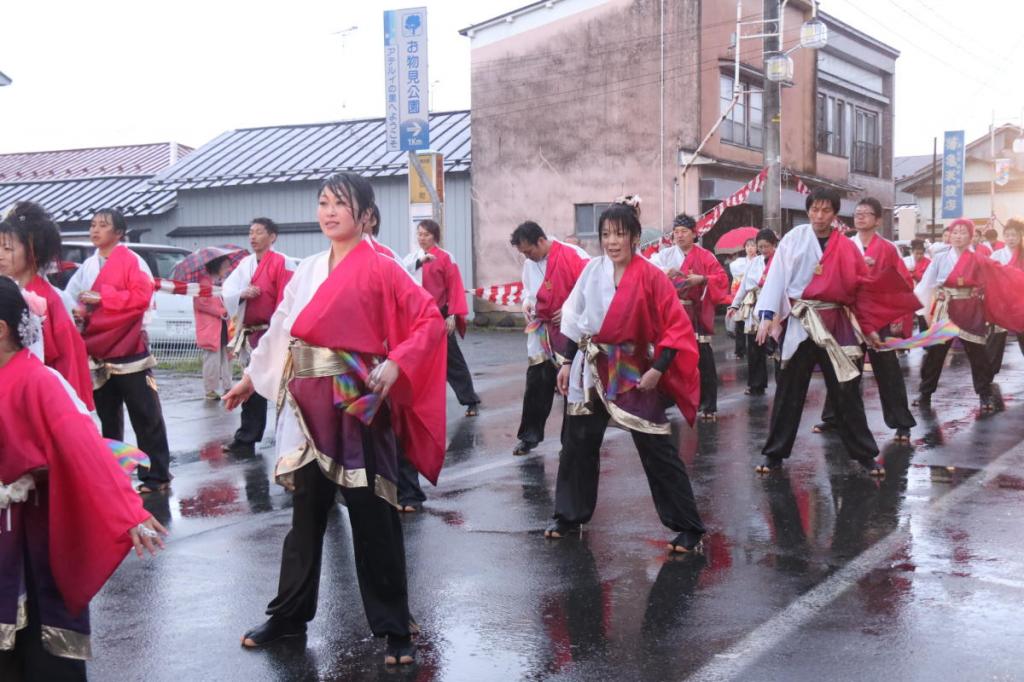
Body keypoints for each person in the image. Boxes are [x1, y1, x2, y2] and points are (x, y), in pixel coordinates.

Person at [223, 173, 446, 666]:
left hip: (354, 404)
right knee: (305, 519)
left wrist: (398, 361)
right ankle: (288, 616)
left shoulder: (385, 268)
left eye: (340, 204)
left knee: (372, 516)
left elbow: (429, 321)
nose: (328, 212)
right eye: (323, 202)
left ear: (365, 214)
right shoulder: (308, 270)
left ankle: (394, 628)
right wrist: (250, 379)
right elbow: (283, 325)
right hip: (304, 407)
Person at [0, 277, 166, 681]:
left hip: (30, 530)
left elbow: (84, 448)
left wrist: (128, 511)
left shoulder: (37, 380)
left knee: (39, 630)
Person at [544, 200, 706, 555]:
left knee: (656, 447)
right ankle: (570, 516)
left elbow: (675, 328)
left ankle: (688, 526)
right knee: (577, 445)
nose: (612, 242)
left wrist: (657, 369)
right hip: (590, 365)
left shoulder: (651, 276)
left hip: (630, 366)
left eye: (619, 234)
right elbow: (575, 319)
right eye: (606, 235)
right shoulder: (592, 271)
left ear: (634, 237)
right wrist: (568, 362)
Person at [753, 188, 915, 475]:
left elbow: (859, 290)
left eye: (826, 210)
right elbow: (776, 275)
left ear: (835, 214)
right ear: (808, 210)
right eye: (815, 209)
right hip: (802, 320)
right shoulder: (794, 238)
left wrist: (870, 327)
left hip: (835, 322)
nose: (819, 215)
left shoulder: (846, 246)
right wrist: (767, 314)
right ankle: (774, 454)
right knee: (789, 390)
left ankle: (864, 454)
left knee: (846, 390)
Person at [63, 208, 173, 494]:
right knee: (109, 418)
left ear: (119, 233)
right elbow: (74, 297)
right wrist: (79, 312)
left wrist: (103, 297)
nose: (95, 230)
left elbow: (141, 297)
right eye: (92, 225)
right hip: (99, 351)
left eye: (103, 225)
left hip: (129, 348)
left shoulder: (132, 260)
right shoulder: (88, 265)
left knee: (145, 415)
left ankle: (157, 475)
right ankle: (114, 473)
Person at [814, 198, 917, 442]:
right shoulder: (843, 244)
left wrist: (896, 315)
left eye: (866, 214)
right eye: (857, 213)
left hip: (876, 316)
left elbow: (902, 283)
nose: (860, 217)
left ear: (878, 220)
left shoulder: (888, 249)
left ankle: (901, 422)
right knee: (844, 367)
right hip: (848, 315)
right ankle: (834, 418)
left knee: (887, 369)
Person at [0, 202, 93, 408]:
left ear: (32, 251)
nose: (0, 255)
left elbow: (65, 360)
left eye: (7, 248)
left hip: (32, 397)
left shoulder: (48, 300)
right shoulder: (9, 291)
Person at [510, 220, 589, 456]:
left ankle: (570, 441)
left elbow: (589, 288)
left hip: (569, 331)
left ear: (541, 241)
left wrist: (568, 310)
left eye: (529, 250)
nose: (528, 256)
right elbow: (528, 290)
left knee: (570, 385)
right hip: (541, 331)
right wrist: (527, 303)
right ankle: (529, 436)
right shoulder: (529, 264)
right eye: (523, 253)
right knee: (536, 382)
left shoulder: (573, 255)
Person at [221, 218, 295, 457]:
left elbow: (286, 300)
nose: (253, 237)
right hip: (251, 333)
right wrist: (243, 294)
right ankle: (247, 437)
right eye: (250, 232)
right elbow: (228, 290)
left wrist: (280, 333)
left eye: (259, 232)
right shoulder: (246, 264)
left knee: (283, 387)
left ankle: (290, 442)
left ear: (272, 237)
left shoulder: (282, 263)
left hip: (273, 332)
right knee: (250, 386)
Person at [914, 218, 1001, 411]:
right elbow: (927, 283)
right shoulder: (940, 258)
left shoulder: (977, 258)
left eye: (963, 232)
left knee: (977, 352)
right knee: (935, 353)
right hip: (946, 308)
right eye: (955, 232)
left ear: (971, 237)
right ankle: (925, 392)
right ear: (950, 235)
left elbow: (992, 281)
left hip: (971, 308)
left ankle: (984, 393)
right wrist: (918, 305)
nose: (958, 236)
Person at [650, 214, 729, 421]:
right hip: (672, 314)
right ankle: (666, 399)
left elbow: (721, 278)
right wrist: (666, 272)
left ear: (694, 234)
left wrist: (702, 279)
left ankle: (708, 404)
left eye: (684, 232)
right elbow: (650, 269)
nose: (679, 236)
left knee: (702, 358)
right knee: (668, 357)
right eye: (676, 232)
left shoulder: (705, 256)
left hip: (695, 314)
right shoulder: (665, 255)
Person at [403, 219, 481, 417]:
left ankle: (470, 399)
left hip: (440, 314)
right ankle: (417, 404)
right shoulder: (412, 258)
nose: (422, 238)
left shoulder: (445, 257)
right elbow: (403, 274)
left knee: (452, 359)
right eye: (419, 234)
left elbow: (454, 287)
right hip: (418, 317)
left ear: (435, 237)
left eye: (426, 234)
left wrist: (452, 315)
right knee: (417, 360)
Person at [727, 228, 778, 396]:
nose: (763, 250)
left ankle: (783, 383)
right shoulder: (754, 262)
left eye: (766, 246)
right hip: (754, 306)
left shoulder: (780, 260)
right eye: (760, 246)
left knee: (777, 347)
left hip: (775, 306)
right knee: (754, 348)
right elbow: (743, 287)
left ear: (774, 245)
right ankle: (756, 384)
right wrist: (734, 305)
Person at [986, 218, 1024, 371]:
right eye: (1007, 235)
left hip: (1020, 304)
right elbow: (988, 277)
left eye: (1014, 235)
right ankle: (988, 374)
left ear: (1021, 236)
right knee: (995, 340)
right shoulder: (996, 255)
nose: (1011, 238)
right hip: (1001, 304)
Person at [194, 256, 234, 400]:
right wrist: (221, 311)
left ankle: (228, 386)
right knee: (212, 359)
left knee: (227, 357)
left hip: (224, 326)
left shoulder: (223, 282)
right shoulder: (204, 283)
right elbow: (201, 304)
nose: (228, 269)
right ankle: (210, 389)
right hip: (211, 328)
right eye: (225, 266)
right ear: (217, 266)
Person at [728, 239, 757, 359]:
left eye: (753, 246)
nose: (750, 248)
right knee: (739, 323)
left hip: (754, 295)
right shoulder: (738, 263)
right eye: (748, 246)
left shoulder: (760, 261)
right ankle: (740, 350)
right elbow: (737, 280)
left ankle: (757, 349)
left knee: (754, 324)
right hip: (741, 295)